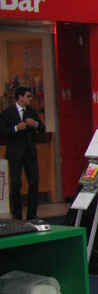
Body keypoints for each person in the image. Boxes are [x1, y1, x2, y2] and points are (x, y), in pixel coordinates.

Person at [0, 86, 46, 219]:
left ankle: (32, 214)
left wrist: (35, 124)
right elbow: (2, 130)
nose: (31, 99)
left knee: (34, 182)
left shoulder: (32, 112)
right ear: (20, 97)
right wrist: (16, 128)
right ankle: (17, 214)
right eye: (28, 96)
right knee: (15, 183)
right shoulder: (8, 112)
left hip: (30, 153)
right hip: (15, 154)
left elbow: (42, 128)